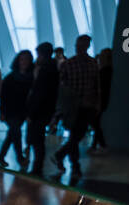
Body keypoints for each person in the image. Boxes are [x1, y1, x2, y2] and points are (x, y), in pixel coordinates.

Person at [53, 34, 98, 180]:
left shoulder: (73, 64)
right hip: (77, 106)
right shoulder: (89, 63)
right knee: (76, 136)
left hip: (80, 105)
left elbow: (62, 87)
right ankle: (74, 166)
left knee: (76, 135)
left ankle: (63, 157)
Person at [26, 42, 58, 174]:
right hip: (46, 110)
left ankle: (37, 168)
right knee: (38, 139)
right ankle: (37, 166)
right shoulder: (53, 68)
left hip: (39, 111)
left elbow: (39, 93)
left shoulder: (45, 70)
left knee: (36, 140)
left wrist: (31, 112)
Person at [0, 50, 32, 168]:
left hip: (22, 112)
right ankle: (20, 158)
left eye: (27, 59)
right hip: (10, 111)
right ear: (18, 61)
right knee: (16, 133)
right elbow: (3, 96)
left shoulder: (30, 77)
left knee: (12, 134)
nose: (24, 62)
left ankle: (1, 157)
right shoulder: (10, 78)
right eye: (22, 59)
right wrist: (2, 112)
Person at [91, 48, 113, 150]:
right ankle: (97, 144)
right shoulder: (108, 71)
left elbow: (101, 89)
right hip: (102, 101)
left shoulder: (104, 72)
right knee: (96, 123)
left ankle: (100, 144)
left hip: (100, 101)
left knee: (95, 123)